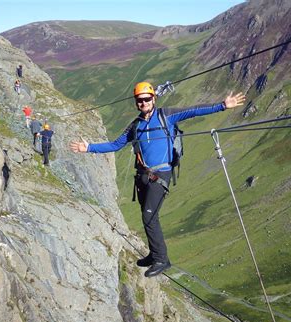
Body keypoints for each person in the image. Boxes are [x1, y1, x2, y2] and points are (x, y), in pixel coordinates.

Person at [70, 81, 245, 277]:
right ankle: (154, 255)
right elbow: (115, 145)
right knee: (149, 217)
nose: (143, 103)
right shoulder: (135, 126)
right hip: (144, 176)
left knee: (149, 217)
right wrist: (89, 148)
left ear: (154, 98)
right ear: (136, 102)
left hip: (161, 175)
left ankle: (162, 259)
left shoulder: (166, 115)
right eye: (139, 100)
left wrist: (222, 105)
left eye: (146, 99)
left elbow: (193, 111)